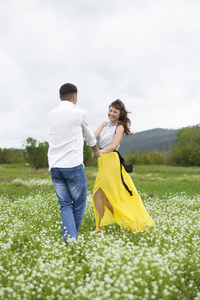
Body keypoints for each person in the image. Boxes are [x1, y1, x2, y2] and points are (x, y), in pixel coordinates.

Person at [48, 83, 101, 242]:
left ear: (60, 97)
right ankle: (70, 240)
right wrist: (96, 150)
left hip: (55, 167)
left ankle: (69, 239)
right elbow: (90, 137)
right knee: (78, 205)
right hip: (73, 166)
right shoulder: (80, 113)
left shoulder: (51, 114)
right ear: (75, 97)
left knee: (65, 206)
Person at [92, 99, 155, 233]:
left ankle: (122, 220)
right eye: (110, 110)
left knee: (101, 192)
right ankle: (101, 227)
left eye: (115, 111)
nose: (111, 113)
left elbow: (114, 145)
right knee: (101, 195)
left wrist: (98, 152)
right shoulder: (104, 124)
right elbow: (92, 137)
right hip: (103, 161)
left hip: (112, 161)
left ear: (120, 114)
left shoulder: (119, 127)